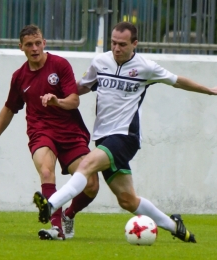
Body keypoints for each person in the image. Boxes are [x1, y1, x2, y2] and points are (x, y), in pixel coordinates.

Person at [33, 21, 217, 243]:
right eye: (113, 43)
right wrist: (58, 98)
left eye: (122, 44)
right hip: (103, 136)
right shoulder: (100, 62)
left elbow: (177, 81)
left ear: (134, 44)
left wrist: (208, 91)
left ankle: (51, 204)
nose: (116, 48)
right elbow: (82, 87)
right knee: (127, 200)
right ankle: (175, 226)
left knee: (86, 165)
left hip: (124, 136)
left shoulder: (146, 67)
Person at [0, 24, 99, 241]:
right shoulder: (19, 77)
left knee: (91, 184)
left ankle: (68, 214)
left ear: (44, 43)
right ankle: (56, 228)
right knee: (46, 172)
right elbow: (9, 108)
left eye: (38, 43)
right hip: (40, 131)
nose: (35, 48)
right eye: (29, 45)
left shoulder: (60, 65)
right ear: (21, 48)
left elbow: (74, 101)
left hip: (70, 132)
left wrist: (57, 101)